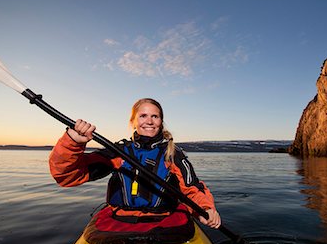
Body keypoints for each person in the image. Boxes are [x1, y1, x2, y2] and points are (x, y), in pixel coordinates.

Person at [49, 98, 221, 231]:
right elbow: (67, 176)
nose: (150, 121)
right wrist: (72, 142)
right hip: (119, 221)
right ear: (133, 121)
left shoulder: (172, 153)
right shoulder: (117, 151)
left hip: (164, 221)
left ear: (161, 121)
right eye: (143, 115)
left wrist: (206, 209)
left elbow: (192, 188)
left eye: (155, 116)